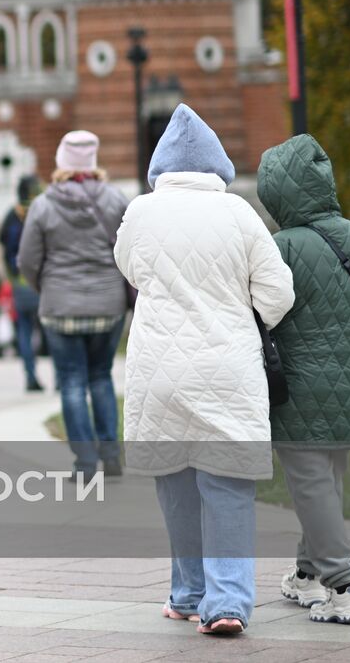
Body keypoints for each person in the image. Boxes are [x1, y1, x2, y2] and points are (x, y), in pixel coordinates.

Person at [115, 104, 295, 636]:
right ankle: (229, 603)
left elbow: (128, 266)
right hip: (227, 367)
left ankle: (188, 593)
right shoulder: (240, 213)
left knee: (175, 483)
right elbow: (278, 292)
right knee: (228, 484)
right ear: (215, 165)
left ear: (159, 168)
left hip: (158, 368)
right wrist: (246, 314)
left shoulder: (140, 212)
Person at [258, 135, 350, 625]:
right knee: (326, 482)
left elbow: (264, 312)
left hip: (299, 384)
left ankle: (344, 588)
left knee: (312, 484)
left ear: (279, 191)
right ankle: (307, 576)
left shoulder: (281, 247)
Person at [18, 133, 129, 475]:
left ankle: (85, 463)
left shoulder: (43, 205)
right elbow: (129, 252)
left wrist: (46, 288)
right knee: (101, 377)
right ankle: (111, 457)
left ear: (61, 161)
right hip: (108, 305)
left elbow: (27, 261)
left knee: (71, 383)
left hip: (60, 306)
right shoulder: (115, 200)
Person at [0, 174, 45, 391]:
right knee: (48, 329)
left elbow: (1, 239)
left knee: (24, 330)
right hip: (42, 279)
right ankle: (60, 378)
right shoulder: (42, 210)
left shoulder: (12, 215)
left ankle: (30, 376)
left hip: (20, 281)